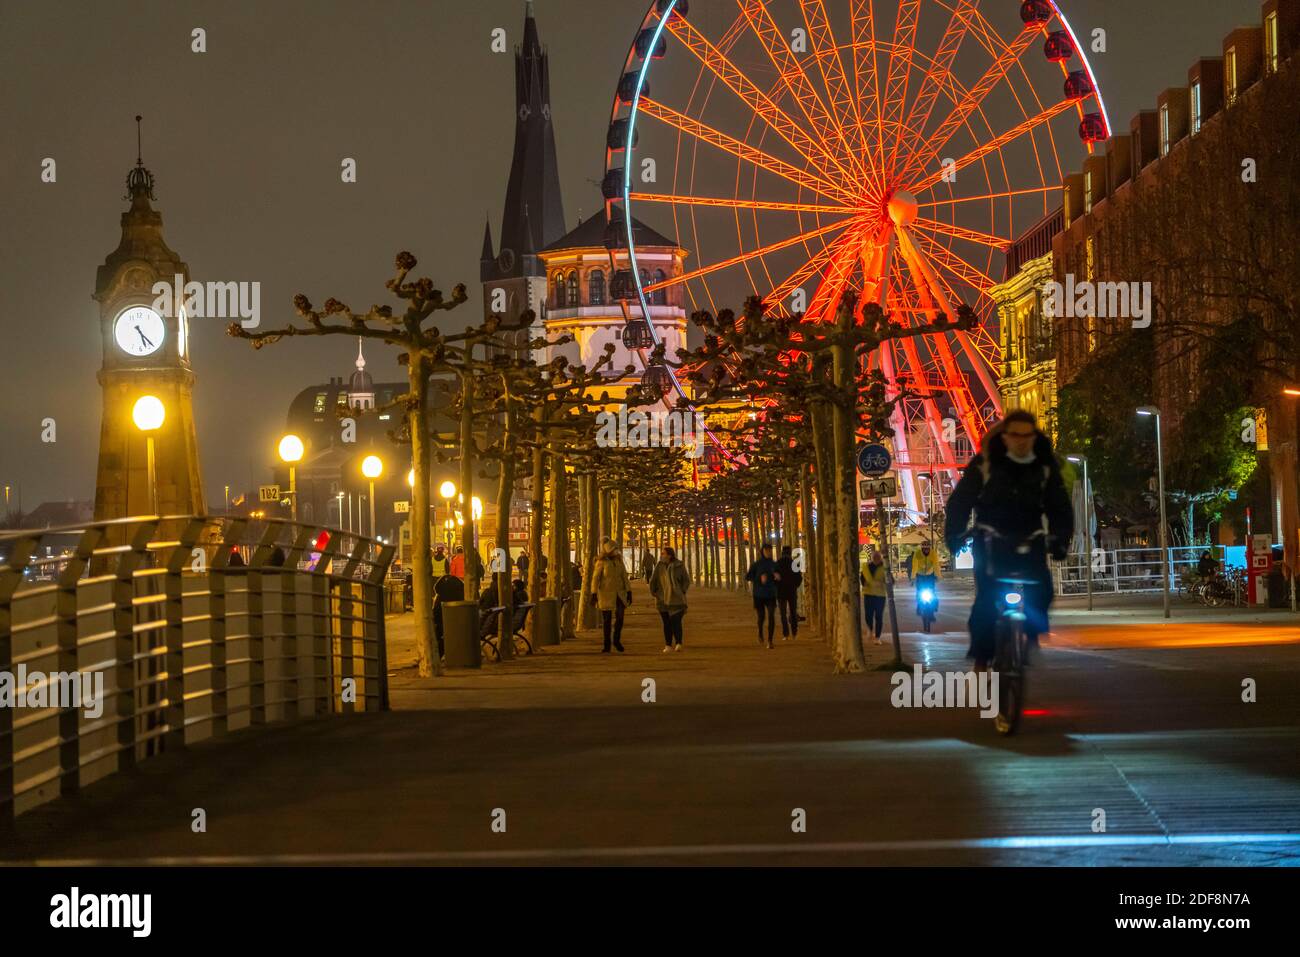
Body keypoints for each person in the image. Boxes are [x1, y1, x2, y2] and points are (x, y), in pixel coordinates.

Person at [944, 410, 1073, 669]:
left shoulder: (1045, 469)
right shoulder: (986, 464)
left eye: (1028, 435)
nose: (1022, 441)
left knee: (1043, 591)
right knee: (986, 601)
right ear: (1005, 437)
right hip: (991, 541)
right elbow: (960, 502)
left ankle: (1032, 636)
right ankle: (981, 657)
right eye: (1016, 435)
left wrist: (1060, 540)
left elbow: (1060, 507)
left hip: (1030, 538)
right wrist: (954, 535)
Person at [591, 538, 632, 653]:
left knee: (620, 618)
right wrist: (594, 593)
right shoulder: (601, 563)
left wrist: (629, 591)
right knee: (607, 621)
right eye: (614, 549)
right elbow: (595, 579)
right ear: (609, 551)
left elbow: (624, 577)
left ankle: (616, 640)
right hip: (606, 594)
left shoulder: (619, 562)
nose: (617, 551)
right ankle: (607, 644)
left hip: (619, 594)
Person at [649, 546, 691, 651]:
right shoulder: (659, 566)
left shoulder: (679, 565)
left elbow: (686, 580)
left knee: (676, 621)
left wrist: (682, 591)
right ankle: (668, 645)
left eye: (663, 553)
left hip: (676, 598)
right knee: (666, 622)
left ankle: (678, 643)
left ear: (670, 555)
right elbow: (653, 580)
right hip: (662, 599)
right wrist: (654, 593)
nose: (661, 555)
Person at [746, 543, 779, 649]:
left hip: (771, 594)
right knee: (761, 617)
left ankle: (770, 640)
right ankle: (760, 632)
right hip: (759, 594)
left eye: (770, 550)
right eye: (766, 550)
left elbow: (779, 579)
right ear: (762, 551)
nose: (768, 552)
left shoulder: (774, 564)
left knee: (771, 616)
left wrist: (778, 577)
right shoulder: (757, 564)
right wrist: (759, 578)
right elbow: (748, 576)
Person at [432, 570, 464, 660]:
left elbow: (435, 614)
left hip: (445, 627)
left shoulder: (440, 599)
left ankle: (436, 656)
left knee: (439, 634)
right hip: (455, 624)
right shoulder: (460, 596)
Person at [774, 544, 803, 640]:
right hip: (791, 591)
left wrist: (777, 586)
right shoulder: (794, 563)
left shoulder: (777, 563)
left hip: (781, 591)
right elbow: (799, 578)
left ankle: (785, 634)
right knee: (793, 612)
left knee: (783, 613)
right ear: (790, 553)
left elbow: (774, 577)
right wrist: (795, 586)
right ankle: (794, 633)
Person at [860, 547, 888, 644]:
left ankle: (877, 637)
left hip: (880, 595)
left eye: (878, 557)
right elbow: (862, 579)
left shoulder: (884, 568)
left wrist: (885, 583)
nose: (876, 559)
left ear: (880, 558)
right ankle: (870, 629)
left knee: (879, 616)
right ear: (872, 558)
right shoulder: (866, 567)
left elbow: (890, 580)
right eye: (874, 557)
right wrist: (865, 584)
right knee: (868, 615)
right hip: (869, 594)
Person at [912, 541, 941, 617]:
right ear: (921, 548)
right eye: (924, 549)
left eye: (927, 549)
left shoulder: (933, 553)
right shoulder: (917, 553)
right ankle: (919, 606)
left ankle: (934, 606)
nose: (926, 550)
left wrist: (938, 576)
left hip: (930, 575)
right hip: (920, 575)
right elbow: (914, 566)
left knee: (932, 591)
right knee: (919, 591)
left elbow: (936, 565)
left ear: (929, 548)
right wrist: (913, 577)